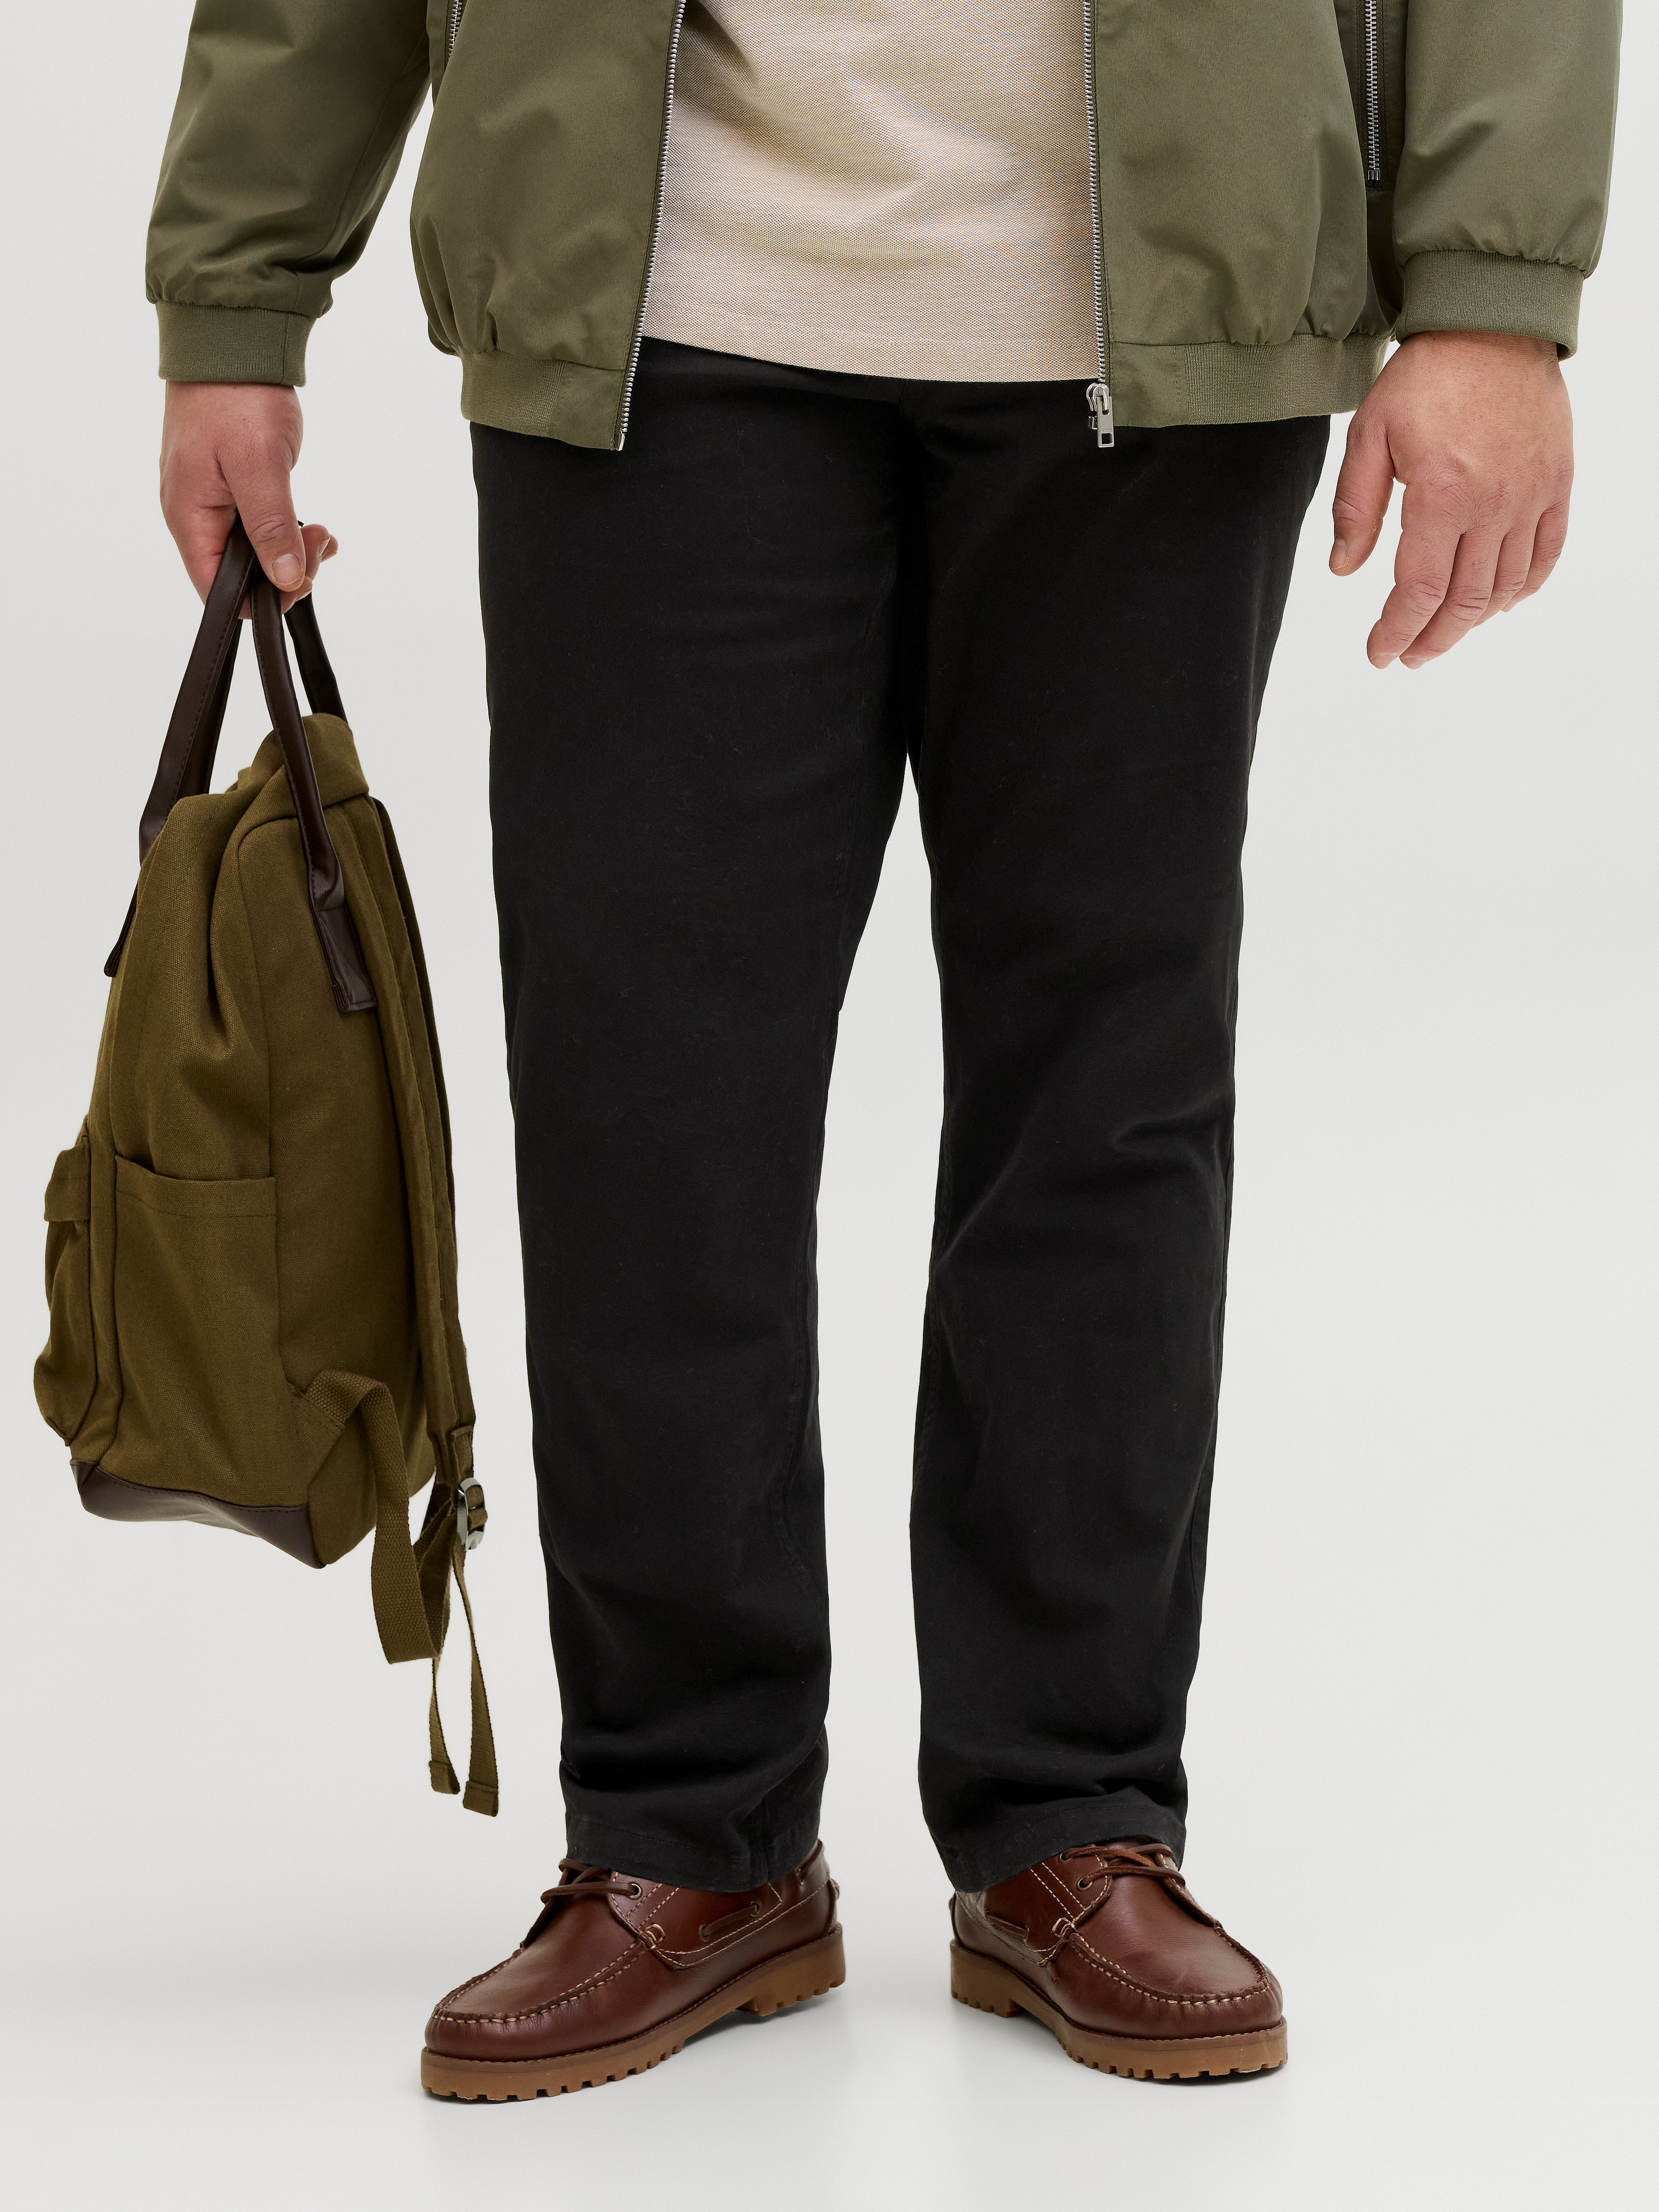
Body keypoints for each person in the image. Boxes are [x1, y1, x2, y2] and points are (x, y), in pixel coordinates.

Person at [149, 1, 1618, 2096]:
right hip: (655, 302)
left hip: (1160, 301)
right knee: (648, 1105)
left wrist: (1491, 290)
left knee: (1104, 1089)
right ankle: (689, 1834)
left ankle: (1068, 1819)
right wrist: (238, 292)